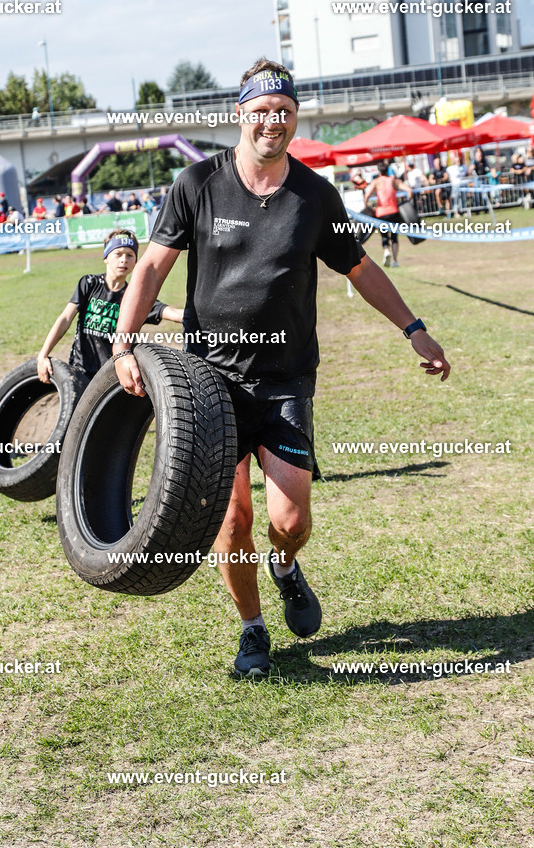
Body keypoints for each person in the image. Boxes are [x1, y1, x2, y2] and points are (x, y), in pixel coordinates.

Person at [113, 57, 450, 678]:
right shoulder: (196, 183)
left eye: (285, 111)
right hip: (209, 381)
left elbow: (360, 268)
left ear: (295, 118)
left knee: (289, 522)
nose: (273, 120)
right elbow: (152, 267)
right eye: (263, 110)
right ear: (240, 113)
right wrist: (123, 344)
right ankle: (252, 628)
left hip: (286, 379)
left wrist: (414, 329)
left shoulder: (316, 195)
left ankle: (286, 565)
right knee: (231, 518)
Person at [37, 229, 183, 382]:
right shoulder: (89, 284)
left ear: (135, 262)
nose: (124, 260)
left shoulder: (136, 298)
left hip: (113, 378)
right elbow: (65, 318)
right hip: (81, 369)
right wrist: (43, 354)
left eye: (130, 255)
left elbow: (172, 313)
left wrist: (196, 315)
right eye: (118, 254)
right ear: (106, 257)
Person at [364, 160, 412, 268]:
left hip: (381, 213)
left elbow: (367, 196)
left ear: (379, 171)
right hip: (394, 211)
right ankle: (395, 261)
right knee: (394, 237)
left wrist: (367, 208)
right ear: (388, 170)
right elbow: (409, 191)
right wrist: (406, 204)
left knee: (384, 236)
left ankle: (386, 251)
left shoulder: (376, 182)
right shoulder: (394, 180)